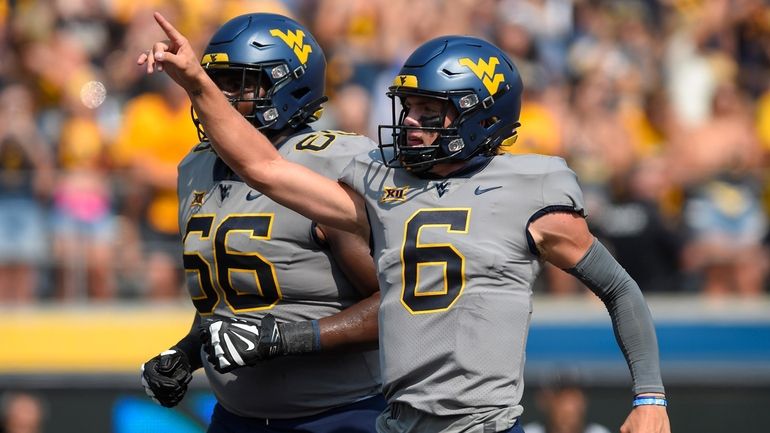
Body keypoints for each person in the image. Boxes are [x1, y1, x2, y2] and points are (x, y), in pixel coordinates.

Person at [140, 12, 671, 433]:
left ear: (480, 114)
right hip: (396, 423)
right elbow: (266, 168)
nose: (410, 125)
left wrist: (649, 397)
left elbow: (621, 290)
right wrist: (195, 83)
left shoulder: (530, 187)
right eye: (408, 108)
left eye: (429, 112)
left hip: (471, 425)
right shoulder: (380, 182)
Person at [138, 13, 384, 433]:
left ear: (288, 86)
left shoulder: (328, 165)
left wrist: (285, 339)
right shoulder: (196, 166)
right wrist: (186, 352)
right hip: (237, 419)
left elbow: (398, 304)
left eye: (239, 83)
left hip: (339, 416)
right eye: (217, 82)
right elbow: (235, 301)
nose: (220, 94)